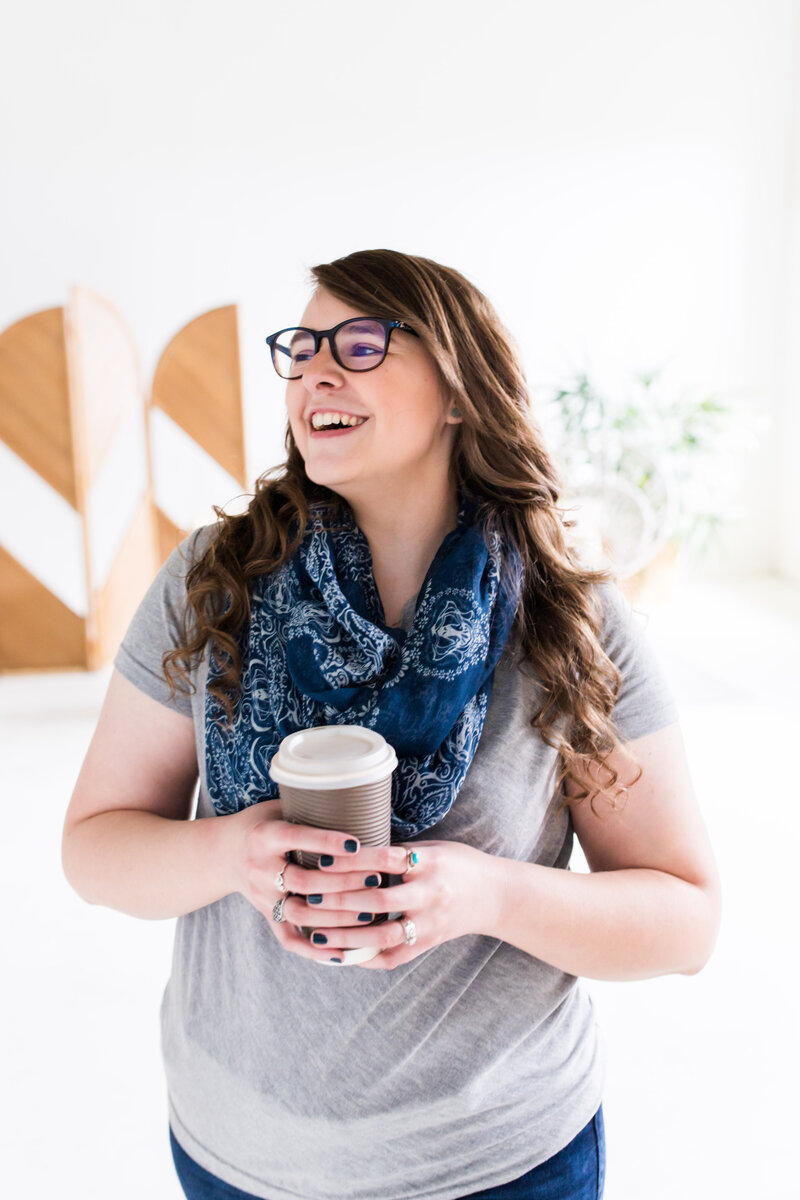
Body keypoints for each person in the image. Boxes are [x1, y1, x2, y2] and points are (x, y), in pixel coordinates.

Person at [61, 248, 721, 1200]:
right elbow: (92, 849)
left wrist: (483, 895)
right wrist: (233, 854)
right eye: (302, 347)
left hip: (497, 1163)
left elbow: (684, 921)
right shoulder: (215, 581)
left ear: (459, 389)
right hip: (237, 1158)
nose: (315, 370)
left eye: (361, 343)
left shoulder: (565, 619)